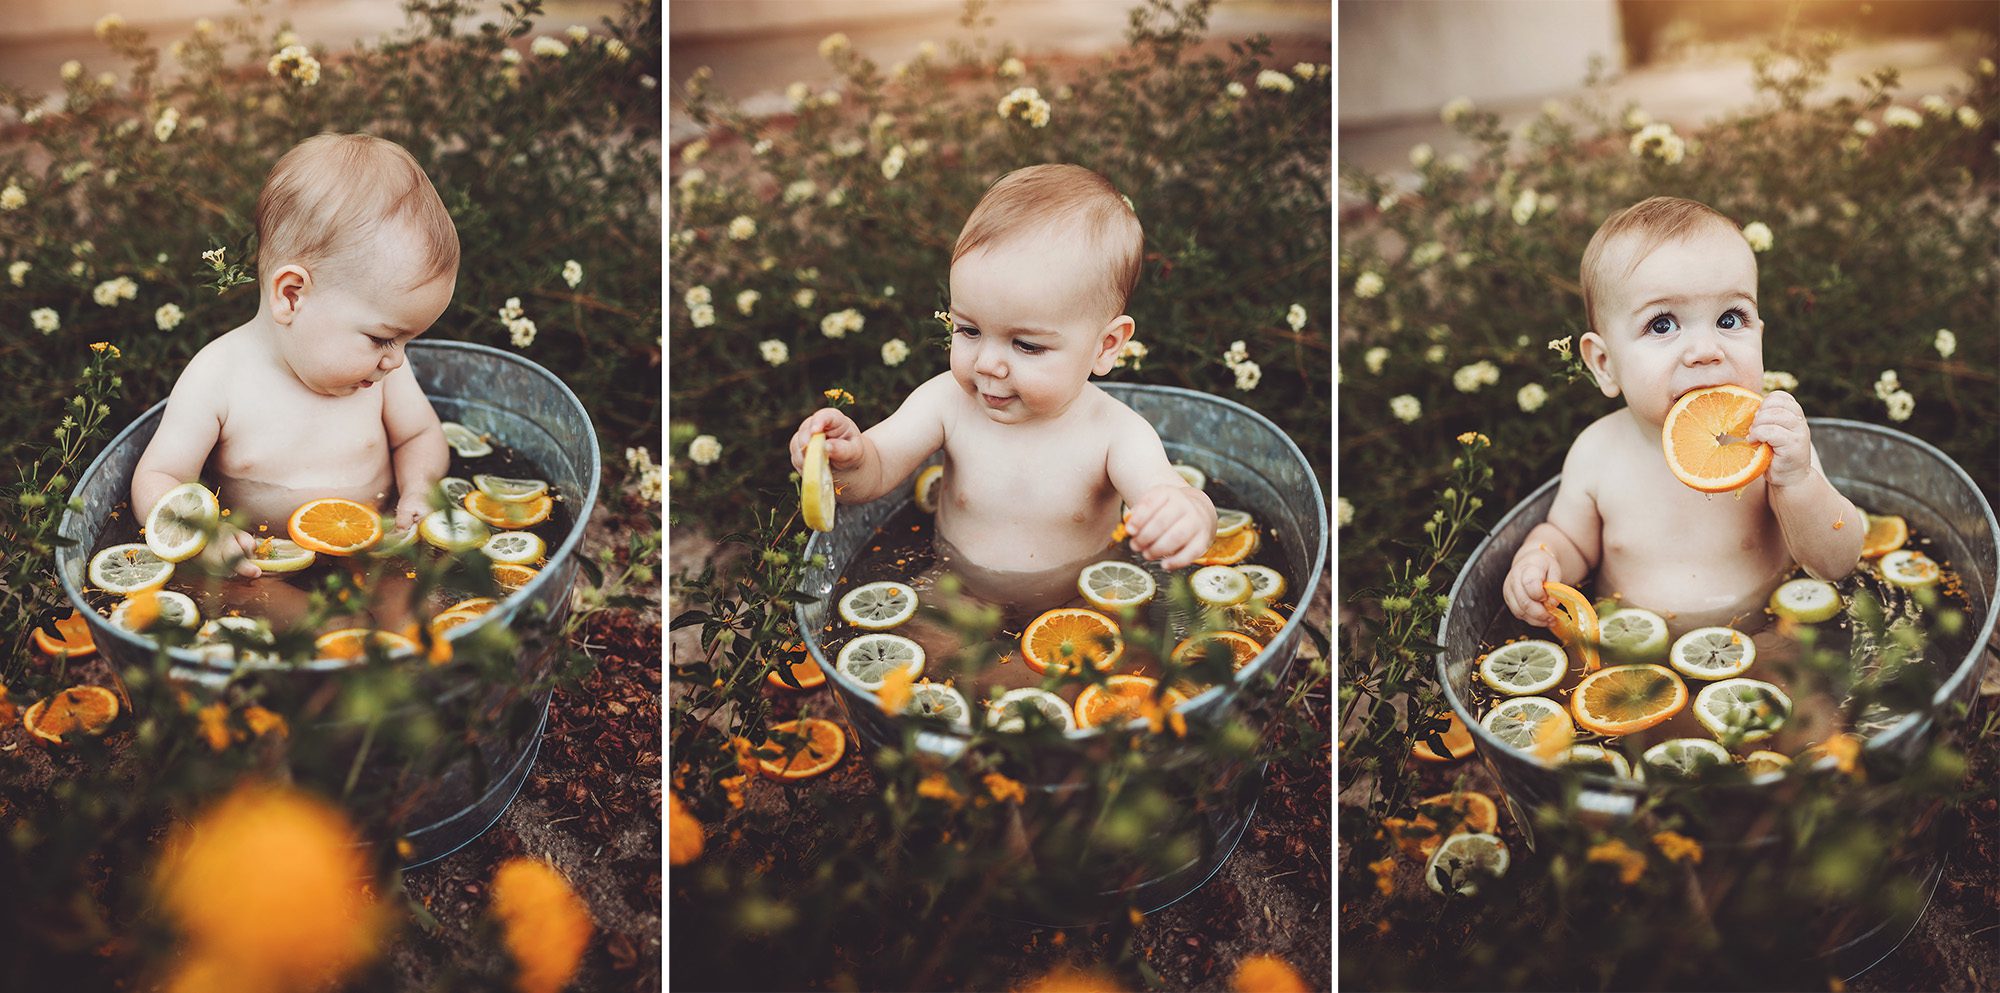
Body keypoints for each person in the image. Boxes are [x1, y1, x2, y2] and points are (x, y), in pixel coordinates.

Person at [788, 164, 1216, 609]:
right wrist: (843, 462)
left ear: (1105, 346)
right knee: (923, 649)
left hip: (1081, 603)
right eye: (969, 331)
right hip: (956, 589)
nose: (988, 364)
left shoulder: (1116, 434)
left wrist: (1187, 516)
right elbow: (874, 473)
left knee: (1082, 674)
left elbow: (1171, 493)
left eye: (1026, 345)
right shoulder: (945, 402)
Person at [1504, 195, 1863, 630]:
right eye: (1662, 325)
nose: (1706, 351)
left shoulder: (1769, 446)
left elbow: (1834, 564)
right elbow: (1570, 545)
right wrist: (1539, 561)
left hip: (1770, 631)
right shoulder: (1597, 453)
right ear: (1605, 364)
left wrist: (1798, 480)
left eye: (1731, 319)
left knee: (1808, 696)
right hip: (1635, 647)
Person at [131, 132, 458, 580]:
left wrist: (418, 489)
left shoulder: (381, 375)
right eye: (383, 338)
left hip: (378, 545)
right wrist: (207, 535)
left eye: (407, 341)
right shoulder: (218, 377)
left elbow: (419, 435)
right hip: (267, 563)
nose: (396, 360)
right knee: (245, 594)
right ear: (292, 295)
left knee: (407, 616)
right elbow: (159, 478)